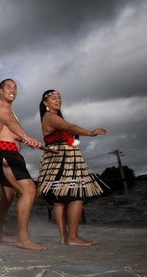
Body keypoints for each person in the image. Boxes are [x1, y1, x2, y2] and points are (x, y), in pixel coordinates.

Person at [37, 89, 108, 246]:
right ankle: (73, 237)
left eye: (59, 98)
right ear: (45, 103)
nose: (58, 100)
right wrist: (90, 133)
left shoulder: (51, 117)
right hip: (62, 160)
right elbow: (68, 126)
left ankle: (65, 237)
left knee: (60, 197)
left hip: (59, 160)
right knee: (76, 195)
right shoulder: (50, 117)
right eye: (53, 98)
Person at [0, 78, 46, 251]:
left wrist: (25, 140)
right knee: (29, 190)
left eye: (15, 87)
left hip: (9, 152)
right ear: (1, 90)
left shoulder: (11, 110)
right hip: (6, 154)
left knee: (8, 197)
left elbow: (11, 132)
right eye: (8, 87)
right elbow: (10, 123)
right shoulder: (1, 108)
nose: (12, 90)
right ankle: (23, 238)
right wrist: (26, 136)